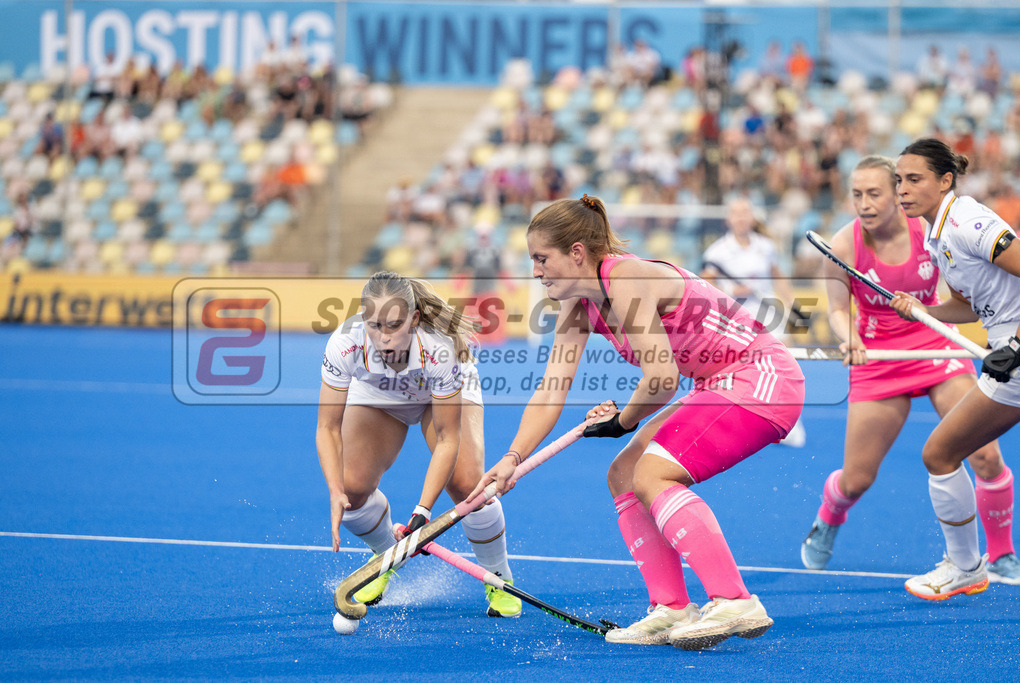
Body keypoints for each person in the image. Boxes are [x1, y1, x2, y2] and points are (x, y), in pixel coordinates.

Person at [467, 195, 804, 649]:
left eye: (541, 258)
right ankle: (670, 608)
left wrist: (623, 422)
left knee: (652, 472)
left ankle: (734, 599)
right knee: (624, 473)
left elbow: (662, 378)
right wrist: (511, 459)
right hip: (717, 384)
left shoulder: (625, 278)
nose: (535, 271)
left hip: (760, 378)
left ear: (577, 253)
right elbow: (550, 392)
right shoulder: (577, 308)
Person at [799, 155, 1020, 585]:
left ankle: (1002, 554)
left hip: (932, 344)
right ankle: (830, 515)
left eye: (875, 193)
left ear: (898, 192)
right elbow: (835, 310)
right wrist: (850, 340)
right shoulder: (843, 246)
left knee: (984, 454)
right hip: (878, 359)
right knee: (857, 478)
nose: (864, 203)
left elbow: (960, 290)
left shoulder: (929, 230)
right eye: (857, 194)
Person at [316, 271, 521, 617]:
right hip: (379, 393)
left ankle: (499, 577)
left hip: (438, 394)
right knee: (351, 491)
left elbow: (447, 438)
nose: (383, 339)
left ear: (413, 319)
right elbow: (327, 427)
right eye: (374, 325)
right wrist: (335, 490)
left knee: (468, 485)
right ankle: (386, 558)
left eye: (394, 326)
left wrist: (422, 512)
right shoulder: (344, 344)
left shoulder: (440, 348)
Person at [890, 138, 1020, 600]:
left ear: (945, 180)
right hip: (1010, 351)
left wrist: (1019, 345)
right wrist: (924, 309)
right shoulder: (939, 233)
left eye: (914, 179)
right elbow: (970, 304)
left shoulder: (967, 221)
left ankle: (966, 566)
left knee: (939, 453)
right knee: (943, 453)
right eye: (899, 181)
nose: (902, 190)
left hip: (1018, 356)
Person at [701, 197, 806, 447]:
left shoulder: (766, 246)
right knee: (745, 373)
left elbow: (777, 275)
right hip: (738, 320)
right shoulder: (716, 251)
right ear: (728, 219)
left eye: (745, 213)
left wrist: (792, 304)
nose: (741, 218)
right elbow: (706, 285)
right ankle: (746, 422)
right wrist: (731, 289)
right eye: (736, 213)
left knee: (785, 367)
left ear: (752, 218)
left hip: (769, 314)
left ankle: (788, 424)